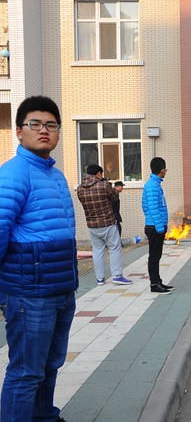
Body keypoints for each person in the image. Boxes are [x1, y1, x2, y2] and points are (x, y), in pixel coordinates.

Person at [0, 96, 76, 421]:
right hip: (29, 294)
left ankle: (46, 417)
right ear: (19, 131)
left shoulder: (55, 175)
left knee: (50, 364)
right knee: (26, 371)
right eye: (35, 124)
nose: (43, 130)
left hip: (60, 289)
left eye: (51, 124)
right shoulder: (14, 174)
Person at [78, 165, 132, 286]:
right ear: (98, 174)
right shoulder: (103, 185)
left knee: (97, 251)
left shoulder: (80, 188)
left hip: (92, 225)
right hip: (107, 223)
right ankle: (117, 275)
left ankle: (100, 278)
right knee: (114, 248)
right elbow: (115, 196)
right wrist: (105, 184)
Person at [142, 157, 173, 294]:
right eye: (165, 170)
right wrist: (160, 228)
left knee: (156, 256)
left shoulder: (155, 184)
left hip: (156, 226)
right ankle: (154, 284)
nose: (165, 172)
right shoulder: (152, 186)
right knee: (154, 257)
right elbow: (153, 208)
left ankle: (158, 281)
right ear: (162, 170)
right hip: (154, 227)